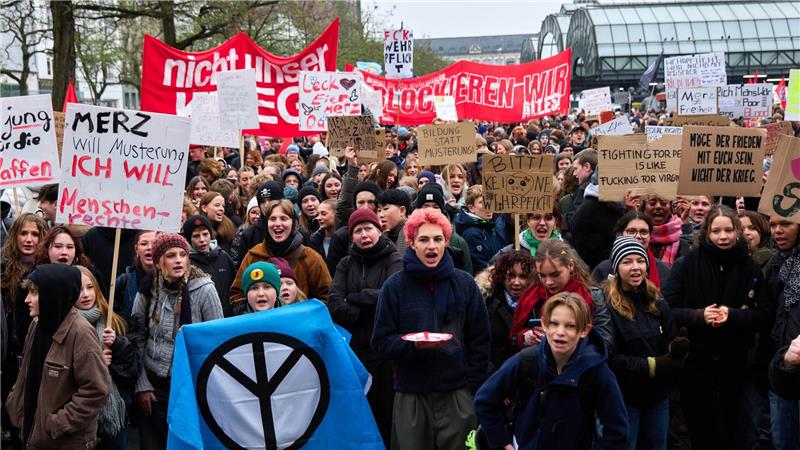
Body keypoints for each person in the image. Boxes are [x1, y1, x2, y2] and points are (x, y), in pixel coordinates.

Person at [372, 208, 490, 450]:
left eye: (437, 239)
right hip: (411, 395)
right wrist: (411, 345)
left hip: (457, 394)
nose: (431, 247)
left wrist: (470, 388)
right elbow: (381, 341)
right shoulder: (394, 287)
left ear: (446, 241)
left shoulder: (464, 283)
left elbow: (480, 340)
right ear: (412, 243)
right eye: (424, 239)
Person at [662, 205, 770, 450]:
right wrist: (699, 316)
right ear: (707, 233)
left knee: (731, 428)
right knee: (702, 429)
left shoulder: (750, 267)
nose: (723, 237)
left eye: (729, 230)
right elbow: (666, 309)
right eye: (716, 231)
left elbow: (762, 315)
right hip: (696, 363)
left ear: (737, 232)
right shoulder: (687, 264)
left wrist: (732, 316)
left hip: (735, 363)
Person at [474, 292, 628, 450]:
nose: (560, 332)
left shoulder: (596, 372)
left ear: (584, 330)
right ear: (544, 325)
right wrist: (503, 444)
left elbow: (616, 431)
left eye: (570, 326)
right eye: (554, 324)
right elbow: (484, 400)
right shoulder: (527, 361)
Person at [129, 233, 224, 449]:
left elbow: (217, 340)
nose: (179, 260)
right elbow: (136, 336)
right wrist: (142, 384)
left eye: (183, 254)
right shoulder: (148, 287)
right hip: (154, 384)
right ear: (159, 261)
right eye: (171, 256)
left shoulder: (204, 289)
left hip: (188, 385)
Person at [5, 264, 111, 448]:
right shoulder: (36, 325)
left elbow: (97, 390)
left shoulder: (81, 334)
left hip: (62, 441)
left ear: (52, 294)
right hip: (32, 434)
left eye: (34, 293)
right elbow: (27, 373)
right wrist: (15, 402)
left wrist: (58, 423)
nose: (27, 299)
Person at [328, 208, 403, 445]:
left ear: (379, 231)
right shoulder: (345, 263)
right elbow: (335, 305)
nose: (364, 235)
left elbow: (392, 296)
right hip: (355, 352)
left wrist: (357, 297)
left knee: (386, 415)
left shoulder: (394, 259)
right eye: (358, 231)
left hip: (386, 354)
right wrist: (366, 309)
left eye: (368, 228)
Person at [603, 237, 685, 450]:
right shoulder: (606, 307)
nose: (635, 267)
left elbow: (669, 337)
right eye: (627, 262)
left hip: (657, 398)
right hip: (623, 399)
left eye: (640, 261)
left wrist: (675, 349)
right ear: (616, 266)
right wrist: (653, 365)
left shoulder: (657, 301)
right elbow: (611, 359)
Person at [74, 266, 139, 450]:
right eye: (79, 289)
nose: (86, 294)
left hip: (115, 414)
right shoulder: (66, 326)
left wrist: (118, 345)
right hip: (83, 416)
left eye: (89, 287)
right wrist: (95, 364)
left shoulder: (114, 321)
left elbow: (131, 372)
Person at [510, 239, 614, 353]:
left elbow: (605, 343)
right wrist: (524, 338)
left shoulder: (593, 297)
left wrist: (564, 339)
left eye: (555, 274)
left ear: (570, 266)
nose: (548, 282)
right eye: (542, 276)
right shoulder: (531, 297)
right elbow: (513, 340)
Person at [0, 213, 46, 449]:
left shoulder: (48, 271)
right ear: (14, 236)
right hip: (8, 352)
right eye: (23, 233)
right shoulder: (3, 269)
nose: (29, 239)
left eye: (35, 234)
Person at [230, 199, 331, 305]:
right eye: (272, 219)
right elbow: (237, 295)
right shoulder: (253, 257)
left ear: (293, 223)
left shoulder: (311, 258)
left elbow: (326, 296)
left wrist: (303, 314)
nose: (277, 224)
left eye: (283, 219)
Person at [765, 216, 800, 450]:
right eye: (773, 224)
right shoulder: (776, 263)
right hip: (783, 366)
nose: (777, 231)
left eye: (786, 224)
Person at [479, 250, 535, 373]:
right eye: (511, 276)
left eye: (523, 277)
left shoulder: (538, 305)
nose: (516, 282)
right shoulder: (487, 303)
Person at [592, 212, 671, 289]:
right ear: (619, 234)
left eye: (644, 232)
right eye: (631, 231)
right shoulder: (603, 269)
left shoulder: (662, 269)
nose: (638, 236)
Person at [183, 215, 236, 317]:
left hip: (229, 320)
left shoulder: (224, 257)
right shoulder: (186, 263)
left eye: (205, 234)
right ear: (189, 239)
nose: (202, 239)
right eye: (196, 236)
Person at [454, 185, 509, 274]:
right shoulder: (472, 234)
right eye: (482, 202)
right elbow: (480, 267)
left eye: (489, 201)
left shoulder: (490, 226)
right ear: (471, 208)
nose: (488, 205)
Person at [114, 231, 157, 324]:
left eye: (154, 243)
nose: (149, 247)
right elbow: (113, 315)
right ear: (136, 249)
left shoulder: (170, 280)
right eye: (144, 244)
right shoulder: (123, 281)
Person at [640, 194, 689, 267]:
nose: (658, 206)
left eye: (663, 203)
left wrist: (685, 221)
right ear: (644, 207)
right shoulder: (637, 235)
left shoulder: (682, 235)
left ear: (671, 207)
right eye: (652, 203)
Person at [377, 189, 410, 255]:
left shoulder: (412, 234)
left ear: (402, 211)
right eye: (379, 210)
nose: (381, 215)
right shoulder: (383, 234)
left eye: (386, 209)